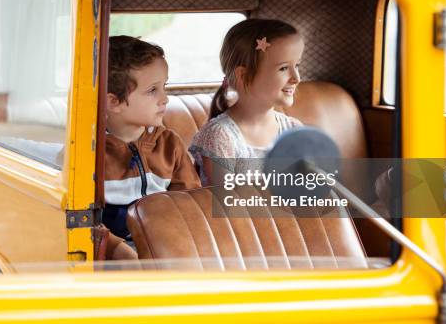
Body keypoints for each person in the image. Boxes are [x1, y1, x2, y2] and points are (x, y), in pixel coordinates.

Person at [103, 35, 201, 242]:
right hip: (113, 249)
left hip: (168, 240)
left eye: (164, 86)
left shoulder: (169, 144)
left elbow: (190, 201)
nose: (164, 98)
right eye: (152, 91)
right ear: (114, 102)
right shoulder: (90, 150)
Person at [189, 19, 304, 186]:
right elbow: (230, 206)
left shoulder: (295, 131)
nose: (297, 78)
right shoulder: (221, 137)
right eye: (284, 68)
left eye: (297, 65)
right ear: (243, 75)